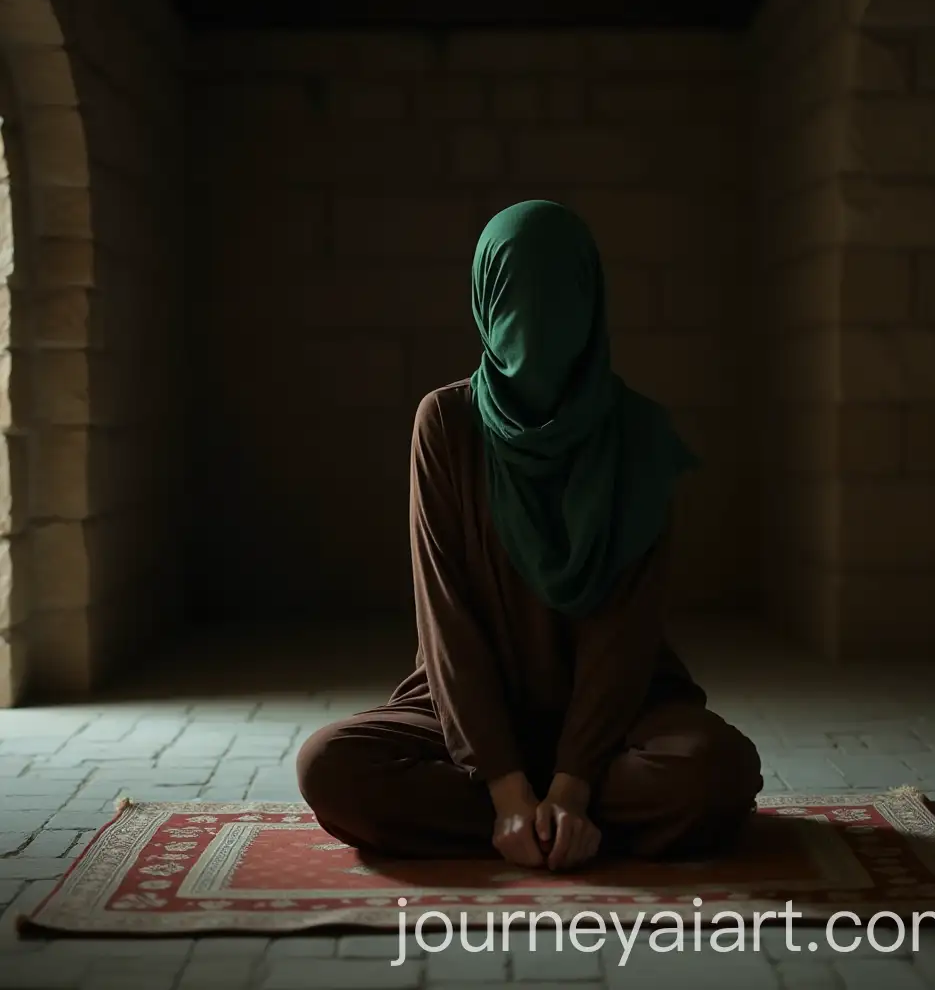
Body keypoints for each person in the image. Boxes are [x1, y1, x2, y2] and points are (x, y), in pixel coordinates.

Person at [297, 200, 763, 872]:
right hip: (472, 721)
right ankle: (538, 821)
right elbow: (447, 618)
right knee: (330, 766)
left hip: (620, 717)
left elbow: (624, 633)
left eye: (556, 296)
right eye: (514, 296)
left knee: (716, 770)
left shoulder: (636, 433)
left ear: (590, 301)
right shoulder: (447, 423)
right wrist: (506, 784)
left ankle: (544, 821)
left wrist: (571, 782)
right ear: (486, 300)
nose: (535, 322)